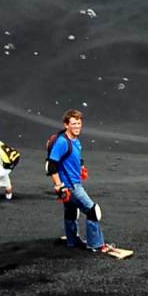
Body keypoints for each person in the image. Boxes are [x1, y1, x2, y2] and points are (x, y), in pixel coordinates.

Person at [47, 108, 114, 253]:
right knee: (93, 211)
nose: (77, 126)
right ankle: (96, 245)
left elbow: (76, 156)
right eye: (73, 124)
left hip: (72, 183)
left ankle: (72, 241)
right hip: (71, 186)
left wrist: (81, 166)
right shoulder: (62, 142)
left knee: (71, 212)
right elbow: (51, 165)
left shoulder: (75, 141)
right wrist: (59, 186)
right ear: (66, 125)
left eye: (79, 123)